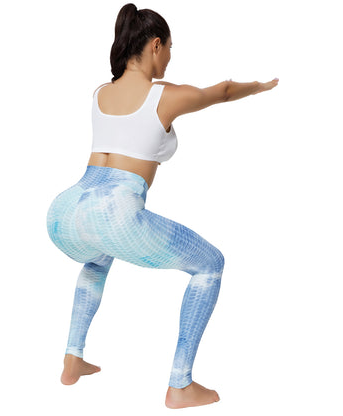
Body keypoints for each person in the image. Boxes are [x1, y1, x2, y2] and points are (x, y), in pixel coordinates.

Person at [46, 2, 279, 409]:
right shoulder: (164, 96)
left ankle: (72, 359)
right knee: (211, 264)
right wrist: (259, 87)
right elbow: (223, 91)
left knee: (98, 260)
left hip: (65, 212)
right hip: (115, 212)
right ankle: (180, 385)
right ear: (156, 45)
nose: (170, 57)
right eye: (170, 47)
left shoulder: (101, 92)